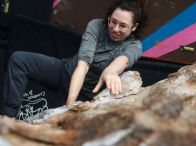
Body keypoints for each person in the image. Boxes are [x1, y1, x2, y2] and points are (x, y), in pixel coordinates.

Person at [0, 0, 147, 117]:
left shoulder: (134, 46)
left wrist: (111, 72)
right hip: (66, 71)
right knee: (19, 59)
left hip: (86, 94)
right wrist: (69, 107)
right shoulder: (96, 25)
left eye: (123, 25)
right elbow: (83, 65)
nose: (115, 28)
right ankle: (7, 117)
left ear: (134, 27)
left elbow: (122, 61)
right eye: (113, 21)